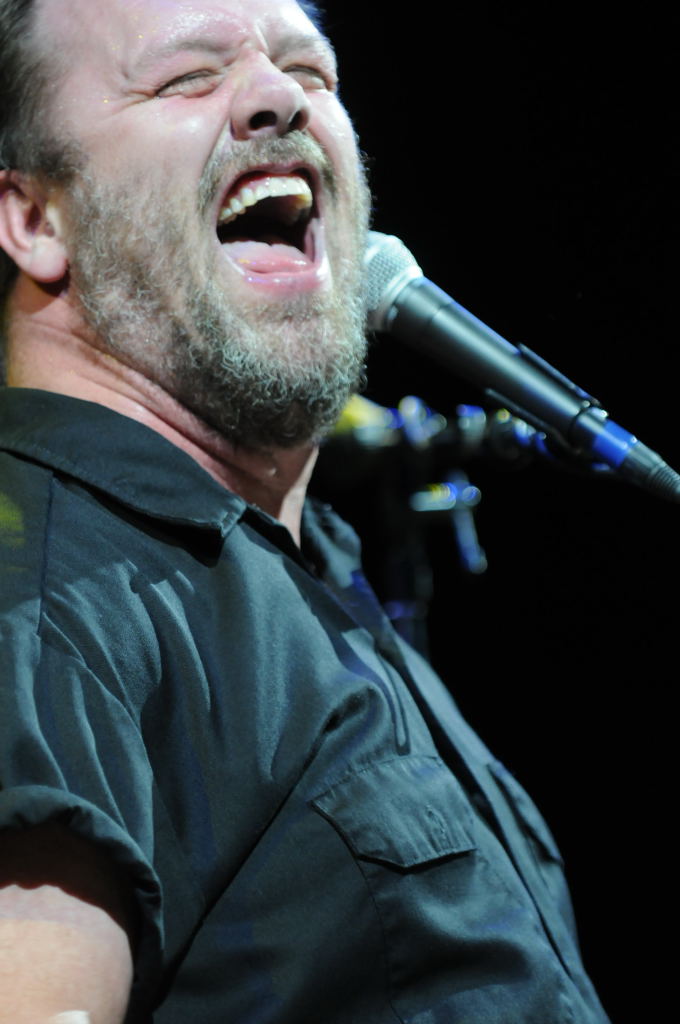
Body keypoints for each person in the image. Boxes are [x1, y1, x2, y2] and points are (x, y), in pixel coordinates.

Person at [0, 0, 611, 1021]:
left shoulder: (301, 570)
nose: (277, 97)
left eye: (309, 72)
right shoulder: (42, 605)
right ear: (34, 220)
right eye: (187, 78)